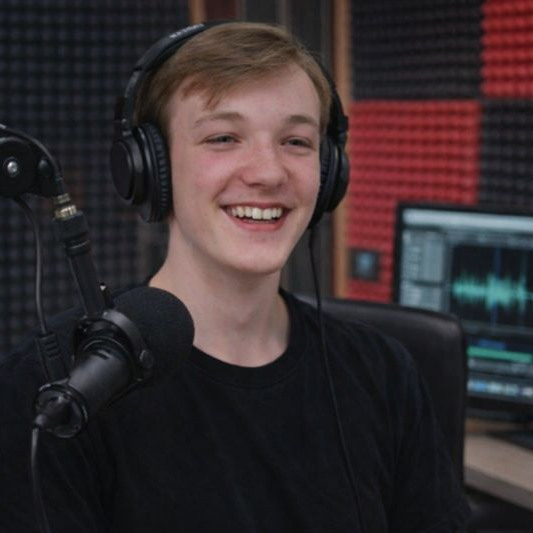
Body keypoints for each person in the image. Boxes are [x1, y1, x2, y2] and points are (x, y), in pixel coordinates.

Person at [0, 21, 470, 532]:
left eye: (296, 141)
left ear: (329, 171)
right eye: (223, 137)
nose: (267, 173)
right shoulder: (59, 392)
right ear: (150, 169)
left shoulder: (384, 374)